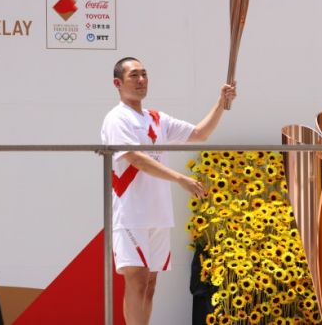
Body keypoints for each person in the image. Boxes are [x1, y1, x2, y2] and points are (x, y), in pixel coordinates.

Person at [100, 57, 236, 325]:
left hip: (158, 214)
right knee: (136, 282)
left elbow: (198, 134)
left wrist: (221, 103)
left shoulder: (156, 118)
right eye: (134, 76)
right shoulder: (116, 119)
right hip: (132, 214)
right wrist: (179, 179)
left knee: (150, 286)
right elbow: (135, 158)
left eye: (144, 75)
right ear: (118, 83)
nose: (141, 80)